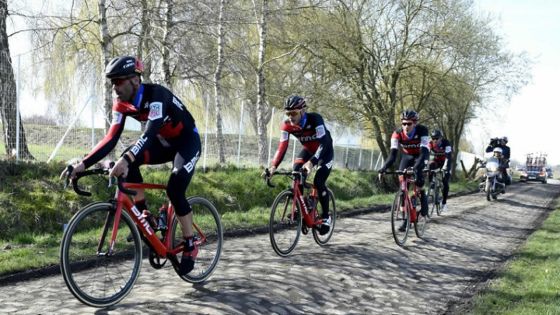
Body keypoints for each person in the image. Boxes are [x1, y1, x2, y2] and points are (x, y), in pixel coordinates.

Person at [60, 56, 200, 275]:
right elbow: (111, 139)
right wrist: (83, 164)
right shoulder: (121, 104)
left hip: (186, 142)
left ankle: (190, 243)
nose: (114, 88)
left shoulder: (156, 95)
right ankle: (146, 215)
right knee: (128, 159)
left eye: (118, 82)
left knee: (174, 188)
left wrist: (126, 159)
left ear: (135, 80)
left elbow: (150, 131)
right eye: (112, 82)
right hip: (163, 144)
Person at [265, 95, 334, 235]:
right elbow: (282, 147)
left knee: (318, 181)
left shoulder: (315, 119)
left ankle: (326, 217)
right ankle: (300, 207)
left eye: (294, 113)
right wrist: (273, 166)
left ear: (302, 111)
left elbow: (324, 143)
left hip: (325, 151)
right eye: (288, 113)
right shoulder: (287, 125)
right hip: (308, 150)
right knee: (296, 171)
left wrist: (312, 162)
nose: (291, 117)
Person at [378, 109, 430, 232]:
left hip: (421, 156)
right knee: (403, 189)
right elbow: (392, 155)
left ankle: (422, 195)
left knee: (418, 176)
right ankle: (406, 220)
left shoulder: (422, 131)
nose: (406, 126)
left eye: (409, 124)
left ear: (415, 123)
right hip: (407, 157)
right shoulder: (397, 133)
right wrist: (383, 169)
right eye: (404, 123)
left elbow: (424, 152)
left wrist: (418, 167)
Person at [428, 129, 452, 212]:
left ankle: (444, 203)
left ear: (441, 138)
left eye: (436, 138)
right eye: (433, 138)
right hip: (437, 161)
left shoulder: (446, 143)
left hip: (446, 162)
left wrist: (445, 167)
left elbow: (448, 156)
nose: (435, 140)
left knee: (445, 182)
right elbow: (426, 153)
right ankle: (431, 185)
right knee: (430, 166)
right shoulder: (430, 143)